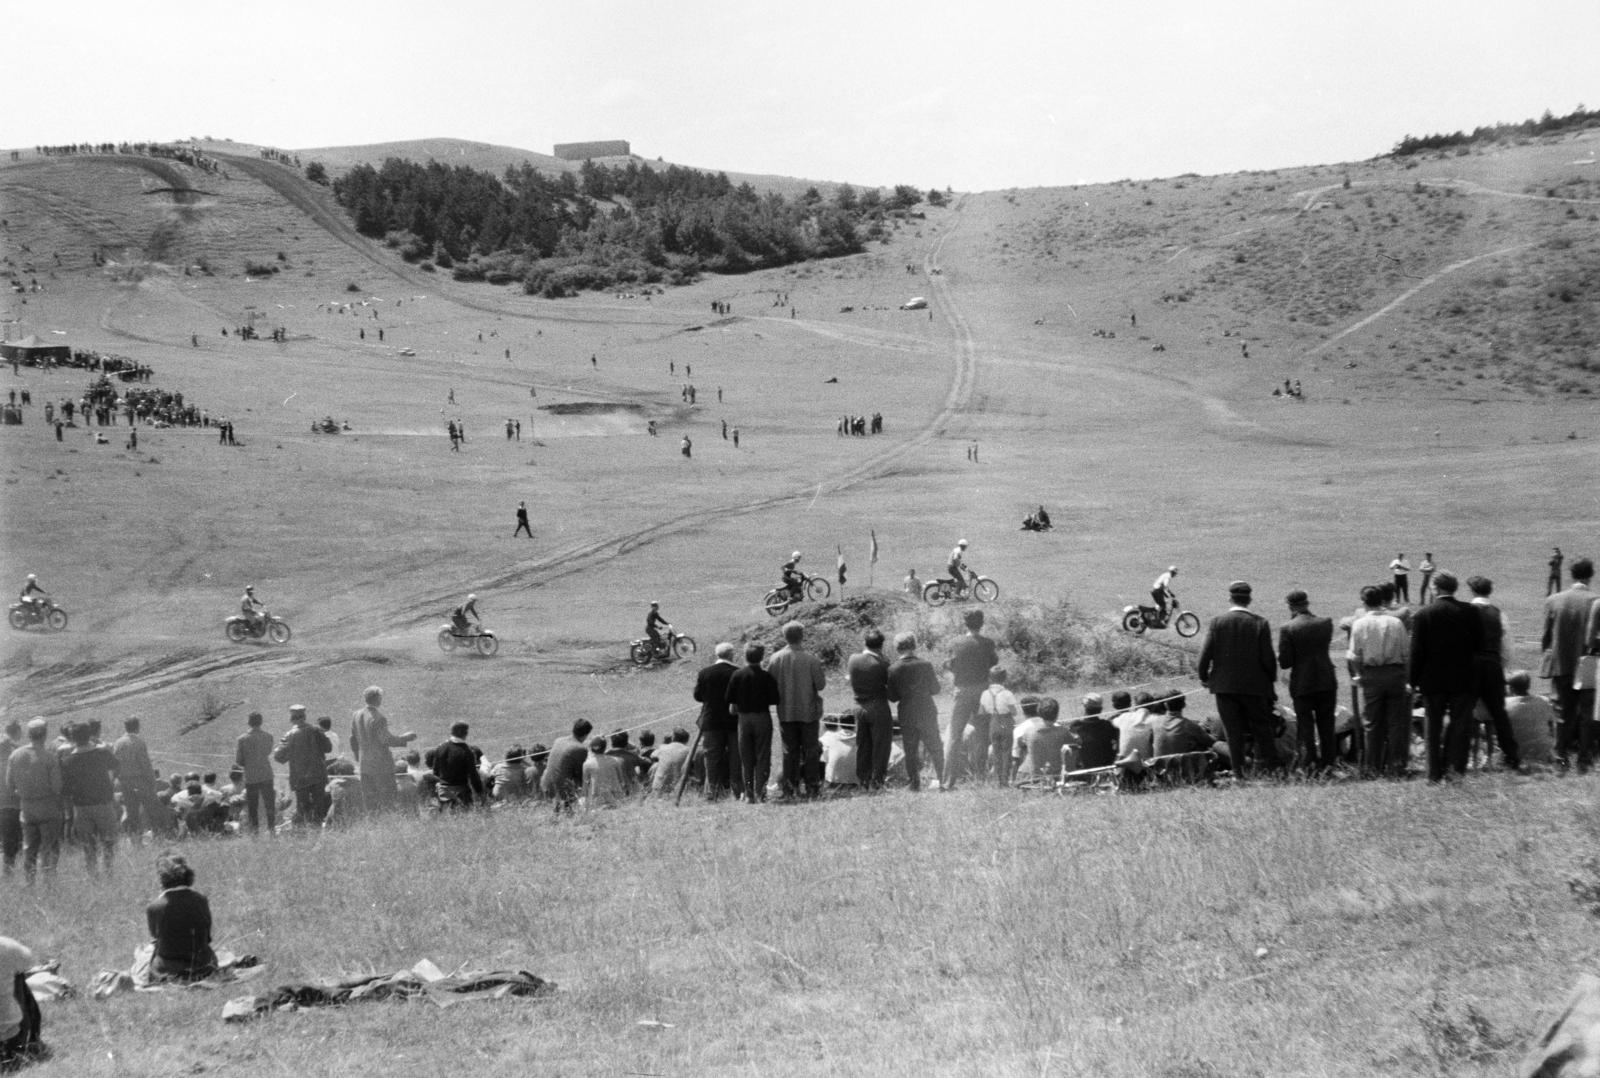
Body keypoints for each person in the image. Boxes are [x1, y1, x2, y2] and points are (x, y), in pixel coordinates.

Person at [1196, 581, 1281, 775]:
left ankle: (1239, 774)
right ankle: (1270, 770)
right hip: (1255, 686)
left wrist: (1204, 677)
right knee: (1262, 729)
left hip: (1225, 687)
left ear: (1230, 598)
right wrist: (1270, 681)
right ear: (1249, 599)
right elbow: (1268, 658)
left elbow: (1204, 655)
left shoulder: (1218, 622)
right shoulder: (1260, 623)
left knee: (1232, 732)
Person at [1409, 571, 1481, 783]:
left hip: (1433, 679)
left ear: (1435, 588)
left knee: (1432, 726)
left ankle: (1433, 774)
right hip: (1463, 676)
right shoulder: (1470, 612)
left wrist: (1412, 682)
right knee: (1460, 725)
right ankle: (1455, 771)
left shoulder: (1423, 615)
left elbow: (1417, 653)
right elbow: (1480, 645)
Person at [1541, 557, 1599, 772]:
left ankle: (1561, 760)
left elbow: (1546, 638)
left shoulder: (1554, 600)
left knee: (1561, 714)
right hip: (1590, 666)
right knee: (1587, 715)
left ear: (1571, 574)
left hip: (1561, 663)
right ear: (1590, 574)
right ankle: (1584, 760)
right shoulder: (1596, 600)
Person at [1278, 590, 1338, 772]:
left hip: (1302, 682)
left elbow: (1285, 661)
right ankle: (1329, 763)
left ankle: (1308, 763)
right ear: (1307, 603)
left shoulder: (1287, 628)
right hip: (1326, 679)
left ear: (1290, 606)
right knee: (1327, 725)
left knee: (1305, 726)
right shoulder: (1325, 623)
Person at [1467, 575, 1521, 770]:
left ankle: (1457, 757)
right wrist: (1503, 666)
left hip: (1471, 665)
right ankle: (1511, 756)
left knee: (1465, 713)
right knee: (1499, 714)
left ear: (1472, 591)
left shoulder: (1466, 612)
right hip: (1492, 663)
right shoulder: (1499, 614)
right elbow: (1507, 645)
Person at [768, 622, 827, 799]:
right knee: (810, 751)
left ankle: (789, 789)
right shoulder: (811, 659)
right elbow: (821, 685)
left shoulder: (775, 659)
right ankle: (812, 788)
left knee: (789, 752)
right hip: (808, 711)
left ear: (785, 637)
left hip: (786, 712)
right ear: (802, 636)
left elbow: (770, 685)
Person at [943, 608, 1000, 789]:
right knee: (982, 735)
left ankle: (948, 781)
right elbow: (993, 663)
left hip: (963, 691)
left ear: (964, 623)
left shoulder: (955, 642)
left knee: (954, 735)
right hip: (982, 691)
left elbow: (950, 665)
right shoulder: (988, 643)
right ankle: (979, 778)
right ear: (981, 623)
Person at [146, 850, 218, 980]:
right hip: (204, 967)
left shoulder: (154, 907)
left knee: (145, 953)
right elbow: (207, 938)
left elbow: (155, 939)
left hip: (168, 971)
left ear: (161, 879)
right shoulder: (201, 900)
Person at [59, 722, 119, 876]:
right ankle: (109, 872)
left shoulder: (67, 762)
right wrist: (110, 783)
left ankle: (93, 876)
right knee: (108, 841)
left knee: (88, 846)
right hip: (104, 803)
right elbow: (116, 765)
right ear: (89, 735)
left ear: (73, 738)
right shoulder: (102, 753)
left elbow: (65, 789)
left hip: (81, 807)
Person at [6, 719, 61, 884]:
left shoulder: (15, 755)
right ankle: (49, 883)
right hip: (47, 808)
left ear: (29, 735)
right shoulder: (49, 757)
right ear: (44, 735)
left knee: (29, 848)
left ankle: (30, 882)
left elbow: (10, 784)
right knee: (49, 847)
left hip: (27, 809)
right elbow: (57, 787)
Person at [887, 632, 944, 791]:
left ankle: (914, 783)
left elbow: (892, 697)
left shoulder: (893, 669)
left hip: (907, 711)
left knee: (910, 749)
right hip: (926, 709)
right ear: (914, 645)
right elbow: (936, 689)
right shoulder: (925, 665)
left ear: (897, 648)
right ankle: (942, 779)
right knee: (935, 746)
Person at [726, 642, 780, 803]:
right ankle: (761, 792)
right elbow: (775, 699)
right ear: (762, 657)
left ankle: (749, 793)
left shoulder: (737, 675)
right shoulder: (766, 676)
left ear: (745, 656)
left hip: (743, 718)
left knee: (746, 758)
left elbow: (729, 698)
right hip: (762, 717)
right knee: (763, 756)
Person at [350, 686, 417, 812]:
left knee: (370, 800)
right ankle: (388, 823)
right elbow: (387, 740)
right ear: (377, 698)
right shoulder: (378, 718)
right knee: (388, 798)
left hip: (365, 764)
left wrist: (357, 757)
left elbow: (352, 739)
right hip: (381, 764)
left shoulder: (356, 715)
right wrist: (405, 738)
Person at [846, 629, 893, 789]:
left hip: (859, 705)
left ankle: (863, 779)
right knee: (881, 745)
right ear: (881, 646)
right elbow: (890, 687)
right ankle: (878, 780)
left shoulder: (853, 659)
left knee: (863, 745)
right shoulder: (883, 663)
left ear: (864, 643)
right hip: (878, 705)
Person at [693, 644, 740, 801]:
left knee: (712, 757)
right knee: (735, 757)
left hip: (711, 720)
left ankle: (712, 792)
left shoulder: (704, 673)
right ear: (731, 655)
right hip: (733, 721)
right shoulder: (737, 672)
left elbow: (698, 696)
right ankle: (737, 791)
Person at [273, 705, 331, 828]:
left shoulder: (289, 735)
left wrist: (291, 752)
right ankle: (317, 832)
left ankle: (303, 834)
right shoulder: (317, 730)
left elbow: (278, 756)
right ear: (304, 716)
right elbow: (328, 748)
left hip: (300, 778)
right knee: (318, 807)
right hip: (318, 775)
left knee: (303, 809)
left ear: (292, 718)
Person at [0, 934, 43, 1068]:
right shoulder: (5, 946)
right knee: (18, 975)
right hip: (10, 1037)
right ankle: (32, 1040)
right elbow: (29, 961)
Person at [112, 717, 155, 842]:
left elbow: (115, 764)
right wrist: (151, 781)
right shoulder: (138, 742)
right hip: (139, 780)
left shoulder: (118, 743)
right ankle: (155, 835)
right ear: (137, 727)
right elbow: (145, 764)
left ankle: (134, 840)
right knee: (151, 807)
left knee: (132, 811)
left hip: (124, 782)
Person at [233, 712, 276, 835]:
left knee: (252, 806)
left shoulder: (242, 739)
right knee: (269, 804)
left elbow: (239, 761)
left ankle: (254, 832)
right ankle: (272, 829)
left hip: (251, 776)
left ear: (249, 722)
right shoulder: (268, 736)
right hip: (266, 773)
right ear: (261, 722)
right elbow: (268, 751)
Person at [1505, 671, 1558, 766]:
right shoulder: (1543, 701)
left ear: (1511, 688)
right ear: (1529, 686)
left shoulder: (1505, 704)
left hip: (1517, 753)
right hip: (1544, 751)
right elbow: (1552, 726)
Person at [430, 722, 486, 811]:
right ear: (465, 733)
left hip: (442, 792)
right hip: (461, 793)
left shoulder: (440, 748)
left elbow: (435, 771)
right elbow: (473, 775)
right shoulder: (467, 751)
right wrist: (480, 792)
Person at [540, 719, 593, 811]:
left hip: (546, 785)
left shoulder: (558, 740)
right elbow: (583, 774)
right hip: (563, 793)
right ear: (586, 734)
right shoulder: (580, 749)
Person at [981, 668, 1022, 784]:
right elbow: (1014, 712)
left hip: (993, 722)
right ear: (1004, 678)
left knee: (996, 751)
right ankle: (1005, 779)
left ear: (990, 678)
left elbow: (982, 711)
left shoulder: (985, 693)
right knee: (1006, 751)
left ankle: (996, 779)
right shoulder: (1007, 694)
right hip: (1006, 721)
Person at [1016, 698, 1070, 784]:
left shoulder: (1029, 731)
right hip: (1057, 776)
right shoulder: (1064, 732)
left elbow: (1020, 744)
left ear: (1039, 712)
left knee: (1024, 749)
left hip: (1032, 777)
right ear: (1057, 714)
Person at [1068, 694, 1119, 769]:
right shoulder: (1108, 725)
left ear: (1084, 707)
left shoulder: (1075, 726)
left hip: (1085, 769)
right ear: (1101, 709)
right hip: (1106, 767)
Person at [582, 737, 632, 808]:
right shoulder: (616, 761)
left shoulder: (587, 764)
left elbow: (585, 788)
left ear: (591, 748)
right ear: (605, 748)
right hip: (617, 800)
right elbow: (622, 781)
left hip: (598, 802)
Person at [0, 721, 20, 879]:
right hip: (11, 806)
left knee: (7, 842)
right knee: (12, 842)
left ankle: (8, 873)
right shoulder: (12, 764)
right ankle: (8, 873)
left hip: (4, 806)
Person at [648, 729, 693, 795]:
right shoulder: (688, 751)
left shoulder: (663, 747)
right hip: (678, 789)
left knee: (656, 765)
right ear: (687, 740)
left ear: (673, 738)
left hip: (658, 787)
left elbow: (652, 756)